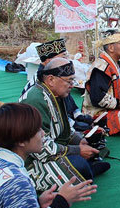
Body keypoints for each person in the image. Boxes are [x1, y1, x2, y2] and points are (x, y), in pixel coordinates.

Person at [21, 57, 109, 191]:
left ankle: (87, 168)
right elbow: (41, 150)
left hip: (52, 149)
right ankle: (86, 170)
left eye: (73, 80)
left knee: (94, 145)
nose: (72, 85)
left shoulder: (55, 94)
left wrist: (80, 140)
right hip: (30, 162)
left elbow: (64, 129)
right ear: (51, 80)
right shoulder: (36, 100)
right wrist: (77, 150)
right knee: (79, 165)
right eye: (69, 81)